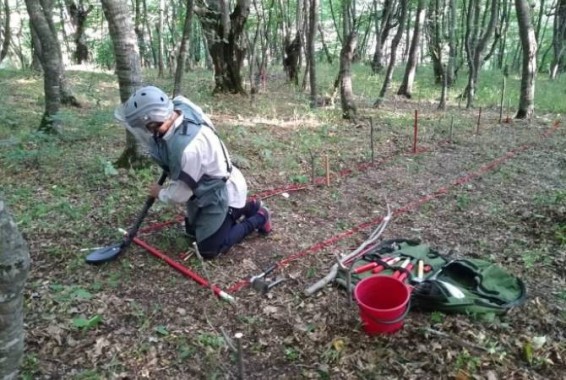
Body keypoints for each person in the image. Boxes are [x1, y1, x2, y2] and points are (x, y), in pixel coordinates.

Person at [114, 85, 271, 259]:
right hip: (204, 188)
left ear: (154, 122)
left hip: (223, 191)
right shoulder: (179, 106)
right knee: (191, 232)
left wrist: (160, 193)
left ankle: (259, 216)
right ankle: (246, 207)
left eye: (146, 128)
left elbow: (180, 194)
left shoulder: (188, 149)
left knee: (208, 249)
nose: (146, 132)